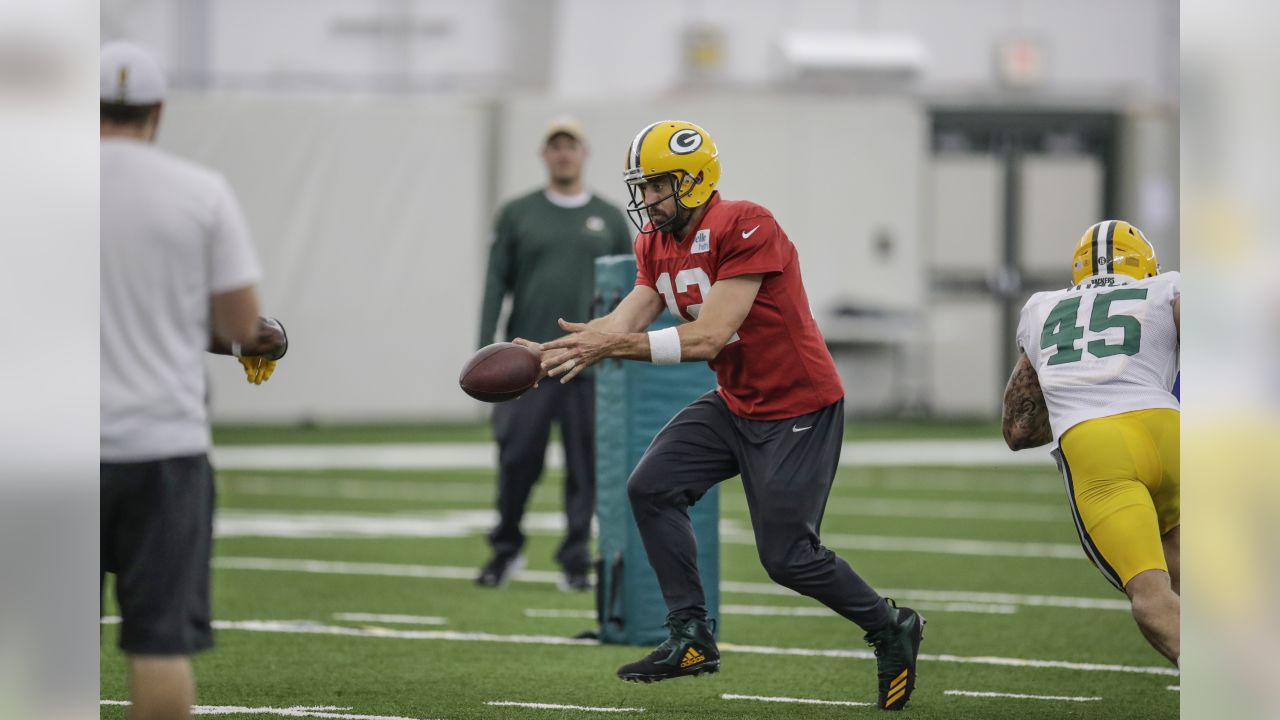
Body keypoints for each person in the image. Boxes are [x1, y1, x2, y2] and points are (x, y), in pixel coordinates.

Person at [518, 121, 924, 710]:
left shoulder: (744, 222)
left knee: (787, 558)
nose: (648, 197)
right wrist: (544, 354)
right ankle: (691, 635)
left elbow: (709, 336)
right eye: (643, 184)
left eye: (658, 184)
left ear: (695, 177)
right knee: (651, 488)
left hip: (796, 404)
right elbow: (622, 322)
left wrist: (607, 348)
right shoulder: (653, 244)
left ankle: (890, 625)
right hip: (737, 400)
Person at [100, 41, 288, 720]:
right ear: (157, 111)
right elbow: (242, 324)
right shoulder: (199, 191)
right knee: (158, 645)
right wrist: (261, 338)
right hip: (163, 445)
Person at [1002, 219, 1180, 666]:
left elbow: (1018, 429)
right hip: (1169, 433)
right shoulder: (1167, 288)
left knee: (1152, 595)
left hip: (1096, 444)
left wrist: (1070, 391)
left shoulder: (1044, 307)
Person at [475, 117, 632, 590]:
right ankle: (505, 550)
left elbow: (632, 289)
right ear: (545, 155)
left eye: (571, 146)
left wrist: (622, 349)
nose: (564, 154)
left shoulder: (608, 217)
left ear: (584, 153)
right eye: (555, 146)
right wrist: (486, 349)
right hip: (528, 363)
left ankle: (575, 559)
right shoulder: (518, 213)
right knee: (518, 460)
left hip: (587, 361)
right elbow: (494, 283)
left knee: (586, 466)